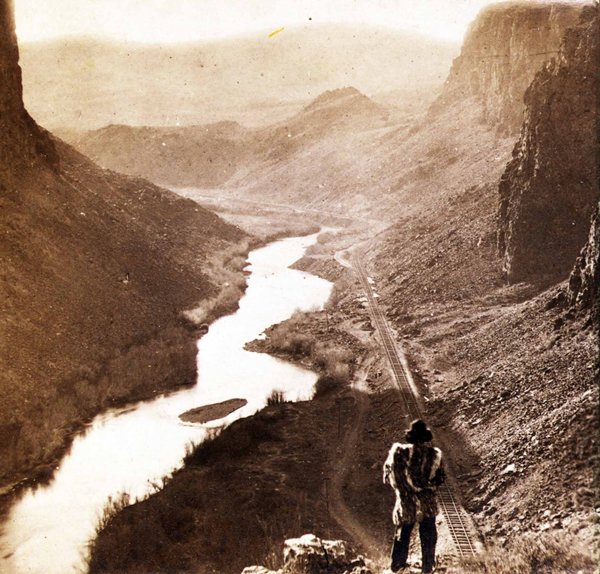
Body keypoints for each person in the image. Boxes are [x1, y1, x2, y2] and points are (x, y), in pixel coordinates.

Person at [383, 419, 445, 573]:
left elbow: (394, 478)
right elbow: (440, 478)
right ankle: (427, 567)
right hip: (427, 502)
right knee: (429, 533)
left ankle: (398, 566)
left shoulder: (400, 453)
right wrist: (426, 486)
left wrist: (408, 489)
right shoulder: (434, 455)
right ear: (425, 438)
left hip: (406, 500)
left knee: (403, 533)